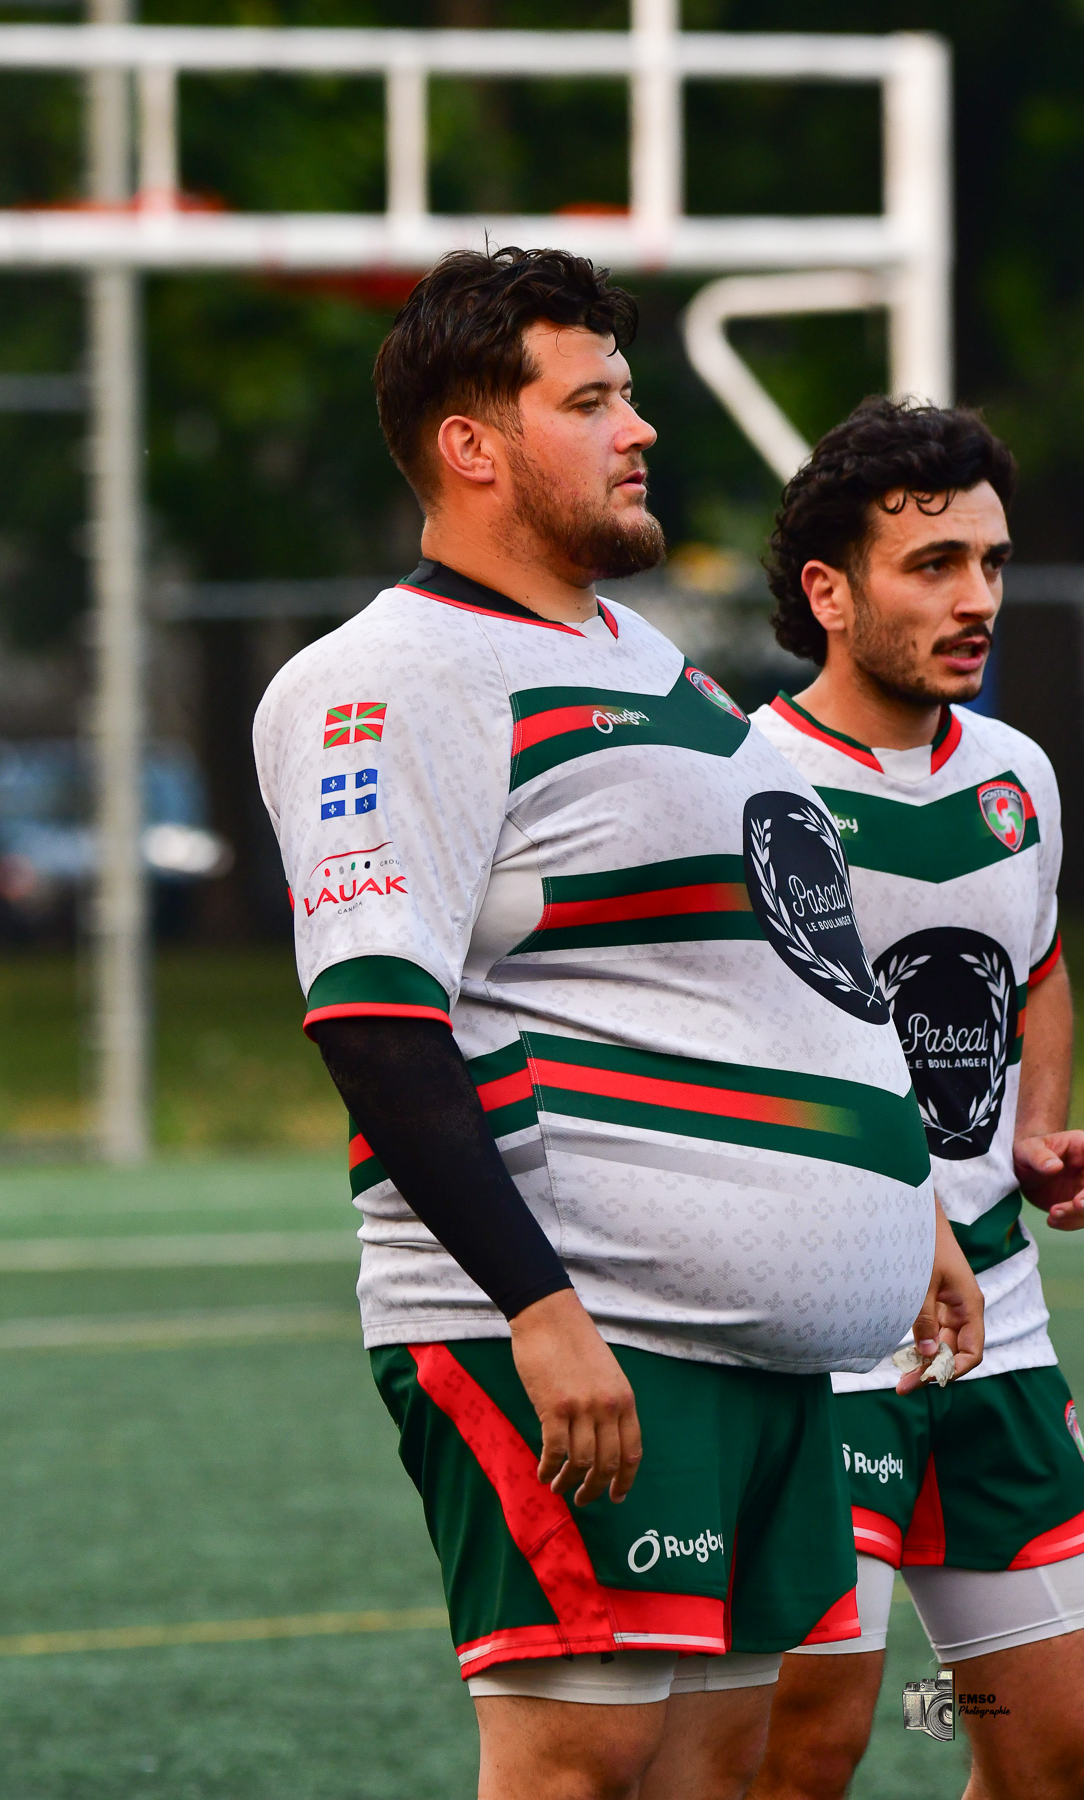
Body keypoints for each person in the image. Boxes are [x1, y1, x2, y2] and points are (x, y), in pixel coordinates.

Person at [253, 251, 980, 1800]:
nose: (637, 428)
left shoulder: (643, 659)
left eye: (630, 393)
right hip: (598, 1328)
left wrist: (899, 1193)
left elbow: (777, 967)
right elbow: (378, 1022)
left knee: (719, 1772)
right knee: (578, 1764)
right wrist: (539, 1307)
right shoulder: (392, 675)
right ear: (474, 446)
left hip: (760, 1354)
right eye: (590, 401)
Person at [749, 397, 1084, 1800]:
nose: (977, 599)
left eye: (993, 563)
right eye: (934, 564)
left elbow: (1038, 959)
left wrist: (1033, 1126)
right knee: (810, 1751)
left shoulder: (1018, 776)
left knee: (1047, 1746)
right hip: (831, 1339)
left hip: (998, 1331)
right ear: (831, 591)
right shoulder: (749, 780)